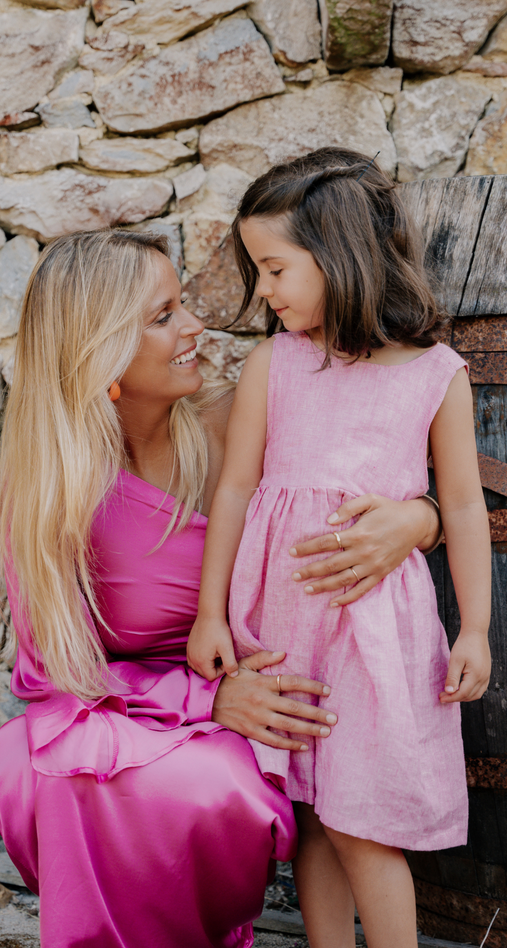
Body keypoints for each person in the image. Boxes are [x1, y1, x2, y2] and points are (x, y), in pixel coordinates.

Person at [0, 228, 443, 948]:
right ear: (99, 347)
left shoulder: (246, 422)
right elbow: (48, 672)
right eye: (162, 314)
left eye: (182, 305)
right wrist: (205, 698)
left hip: (260, 703)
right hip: (133, 707)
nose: (195, 326)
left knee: (202, 785)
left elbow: (412, 457)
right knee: (58, 770)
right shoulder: (50, 487)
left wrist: (418, 520)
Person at [187, 148, 492, 948]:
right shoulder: (274, 364)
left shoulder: (433, 374)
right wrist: (210, 614)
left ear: (338, 257)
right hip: (285, 624)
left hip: (373, 634)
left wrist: (476, 630)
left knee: (363, 820)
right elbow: (233, 490)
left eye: (274, 268)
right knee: (314, 815)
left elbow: (460, 505)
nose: (263, 290)